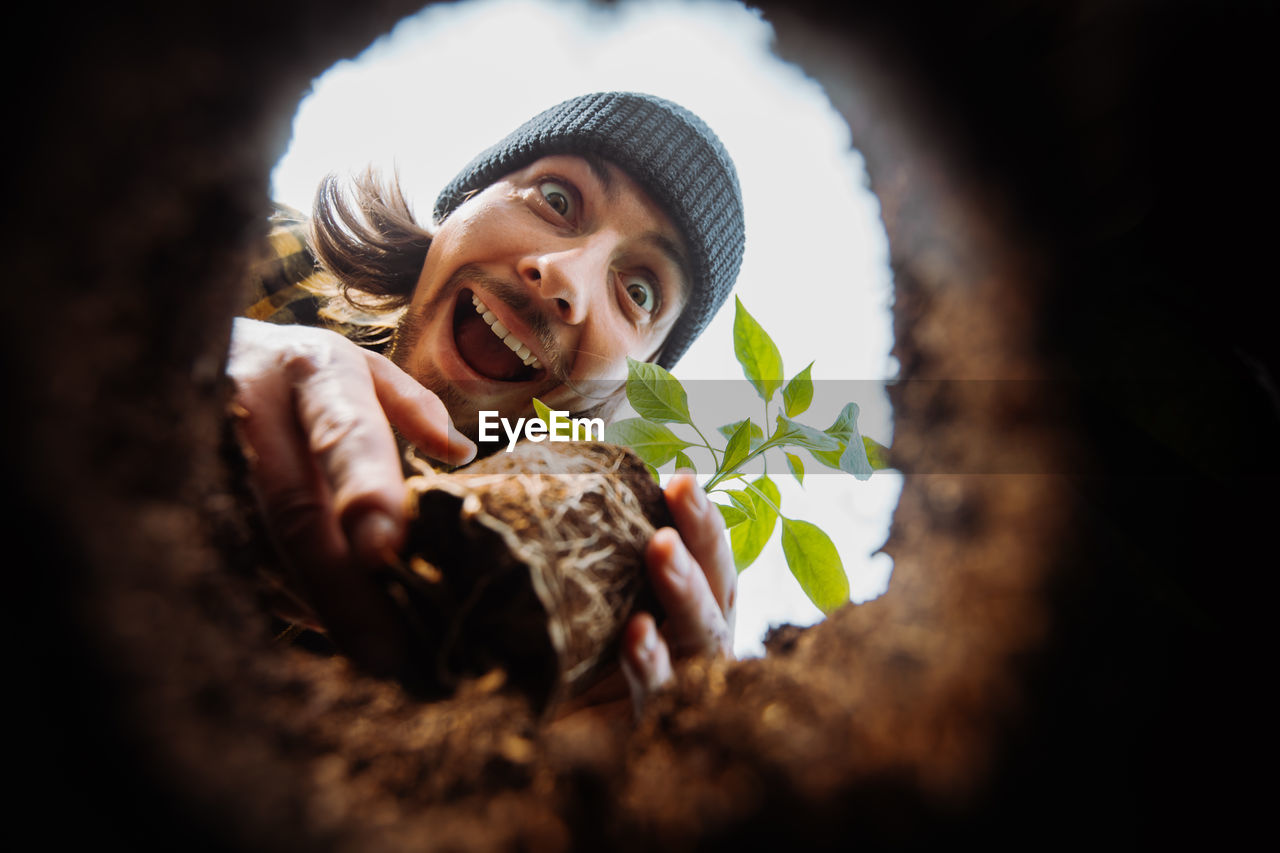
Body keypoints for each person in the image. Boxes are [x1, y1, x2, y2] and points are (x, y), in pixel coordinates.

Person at [227, 92, 745, 713]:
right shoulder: (252, 256)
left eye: (638, 290)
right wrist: (193, 357)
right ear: (464, 201)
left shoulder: (536, 613)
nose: (564, 279)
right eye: (557, 200)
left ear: (631, 387)